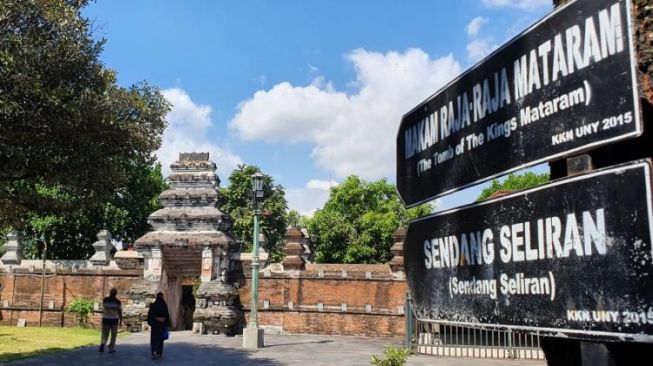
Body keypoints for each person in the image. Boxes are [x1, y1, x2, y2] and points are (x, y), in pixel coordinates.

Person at [147, 292, 171, 360]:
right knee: (160, 340)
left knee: (154, 339)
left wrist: (154, 320)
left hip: (155, 325)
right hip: (162, 325)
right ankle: (159, 353)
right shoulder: (164, 305)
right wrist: (167, 324)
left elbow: (150, 316)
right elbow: (167, 316)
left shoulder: (153, 305)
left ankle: (154, 352)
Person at [100, 288, 122, 353]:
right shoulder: (117, 302)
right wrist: (121, 320)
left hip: (106, 319)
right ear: (116, 294)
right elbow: (120, 311)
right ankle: (111, 348)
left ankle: (103, 344)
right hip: (114, 320)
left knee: (104, 333)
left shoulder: (105, 300)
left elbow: (103, 308)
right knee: (113, 335)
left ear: (110, 293)